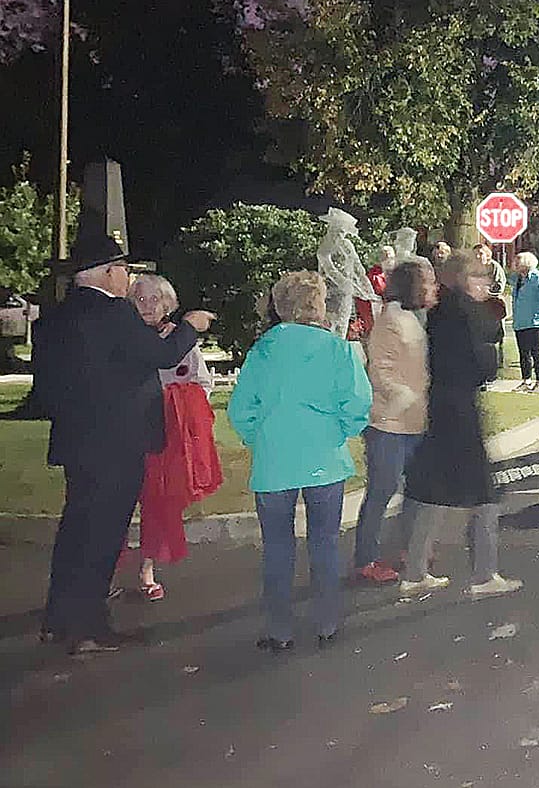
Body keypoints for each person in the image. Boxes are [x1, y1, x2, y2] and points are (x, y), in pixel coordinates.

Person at [33, 231, 213, 654]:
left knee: (76, 529)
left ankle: (58, 619)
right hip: (117, 443)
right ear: (110, 273)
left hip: (78, 441)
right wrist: (190, 327)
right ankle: (90, 628)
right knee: (103, 535)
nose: (128, 279)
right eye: (124, 270)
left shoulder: (56, 318)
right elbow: (160, 355)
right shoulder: (114, 313)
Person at [229, 271, 371, 651]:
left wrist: (259, 436)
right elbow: (358, 403)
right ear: (319, 305)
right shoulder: (336, 349)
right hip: (324, 459)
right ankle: (327, 622)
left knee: (277, 548)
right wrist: (339, 431)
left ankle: (280, 630)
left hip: (275, 462)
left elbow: (241, 409)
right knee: (324, 544)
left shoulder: (263, 350)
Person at [398, 255, 523, 600]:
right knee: (484, 494)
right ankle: (484, 573)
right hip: (461, 411)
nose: (484, 283)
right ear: (464, 278)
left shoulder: (437, 312)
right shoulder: (466, 313)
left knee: (433, 492)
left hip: (439, 408)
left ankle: (415, 571)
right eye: (479, 276)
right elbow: (484, 363)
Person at [124, 274, 221, 601]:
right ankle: (104, 571)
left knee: (157, 507)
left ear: (169, 303)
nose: (149, 306)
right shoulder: (125, 339)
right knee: (116, 505)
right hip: (127, 437)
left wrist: (179, 403)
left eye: (155, 299)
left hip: (166, 440)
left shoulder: (183, 341)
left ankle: (146, 569)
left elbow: (203, 385)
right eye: (141, 299)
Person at [353, 259, 437, 585]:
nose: (433, 287)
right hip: (388, 424)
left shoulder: (418, 318)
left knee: (415, 491)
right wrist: (407, 397)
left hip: (415, 422)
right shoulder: (391, 320)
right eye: (427, 282)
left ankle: (408, 548)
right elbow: (380, 371)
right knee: (381, 492)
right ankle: (366, 559)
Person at [508, 251, 539, 392]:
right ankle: (526, 380)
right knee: (524, 353)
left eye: (518, 262)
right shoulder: (517, 279)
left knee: (536, 352)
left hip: (535, 322)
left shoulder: (538, 278)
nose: (515, 264)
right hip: (520, 322)